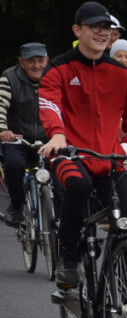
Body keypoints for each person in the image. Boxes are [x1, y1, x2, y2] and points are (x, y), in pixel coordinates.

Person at [38, 1, 127, 286]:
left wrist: (122, 152)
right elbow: (49, 103)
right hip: (68, 153)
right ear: (78, 30)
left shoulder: (123, 75)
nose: (102, 33)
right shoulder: (59, 68)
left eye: (107, 28)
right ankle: (69, 258)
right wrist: (57, 135)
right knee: (78, 185)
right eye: (95, 27)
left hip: (110, 159)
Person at [0, 42, 49, 227]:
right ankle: (17, 205)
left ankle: (62, 215)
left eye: (40, 60)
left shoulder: (54, 77)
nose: (36, 65)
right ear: (21, 62)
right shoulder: (9, 78)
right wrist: (2, 129)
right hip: (18, 138)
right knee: (13, 165)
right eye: (31, 61)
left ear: (47, 60)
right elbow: (0, 105)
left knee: (65, 170)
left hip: (48, 140)